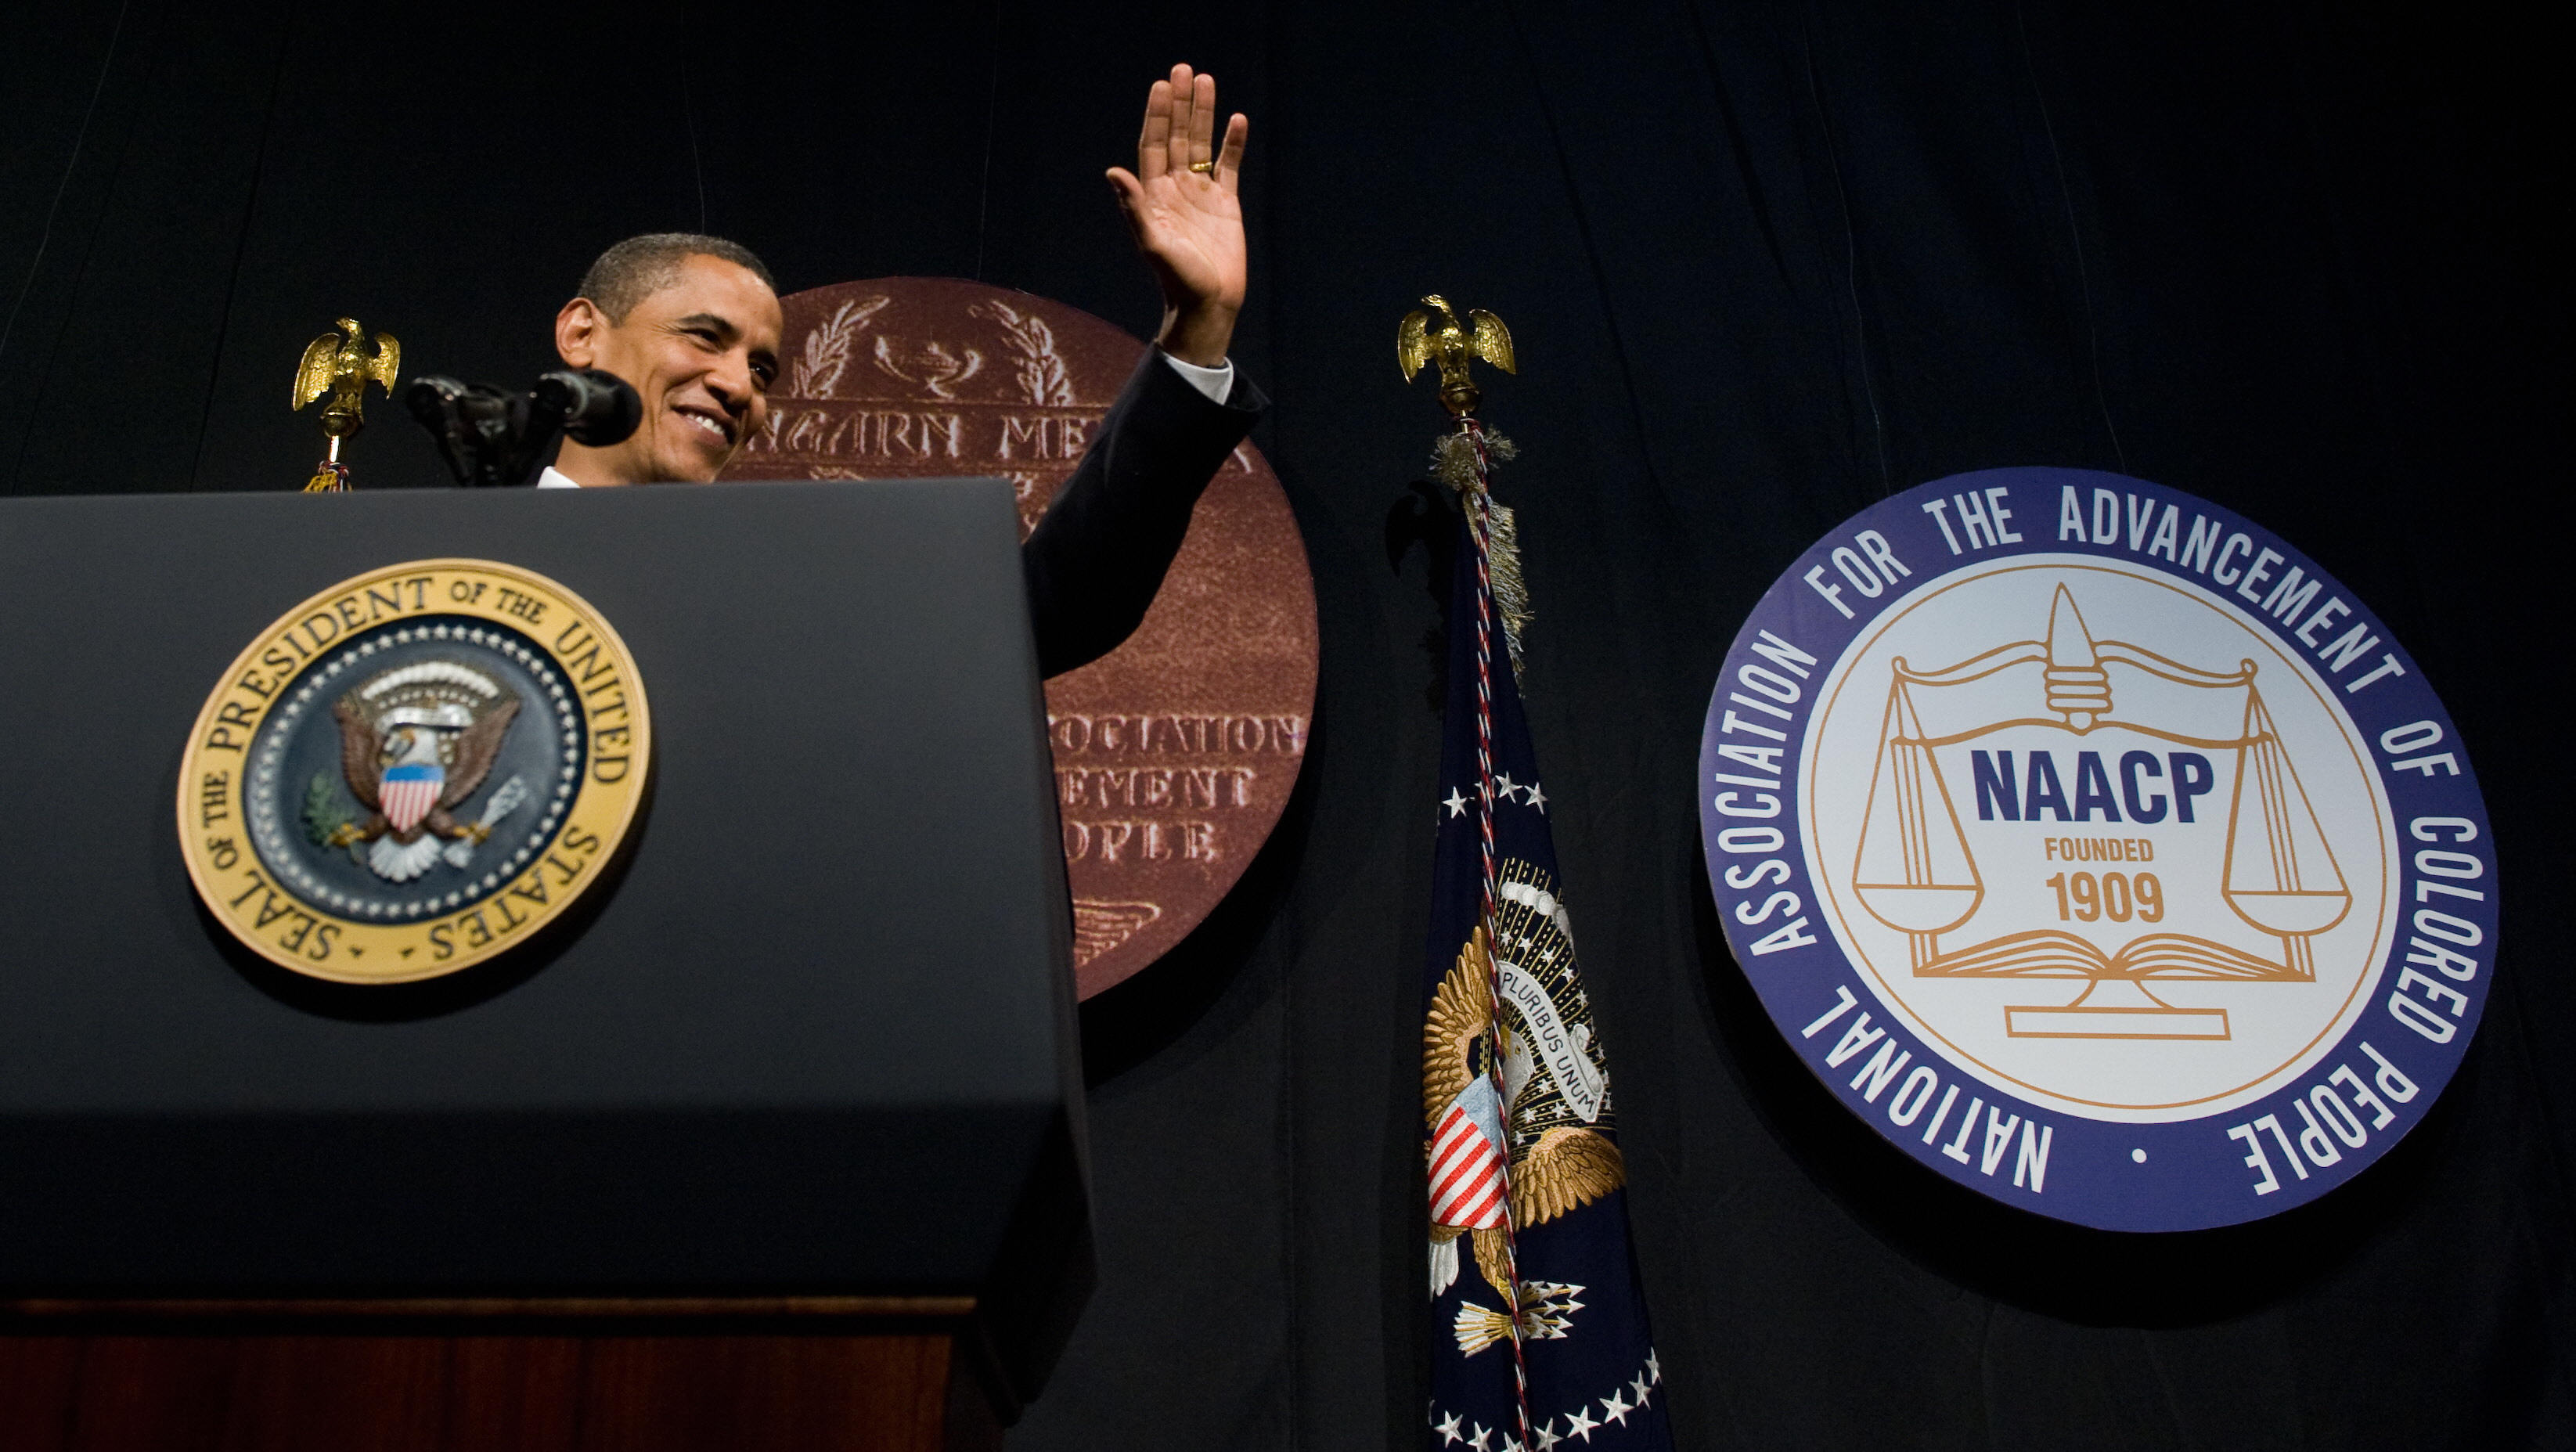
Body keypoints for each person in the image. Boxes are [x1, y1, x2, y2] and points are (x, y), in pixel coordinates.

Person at [535, 64, 1261, 676]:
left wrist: (1197, 330)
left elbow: (1055, 605)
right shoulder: (436, 565)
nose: (737, 387)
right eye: (702, 337)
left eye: (762, 369)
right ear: (581, 333)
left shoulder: (803, 595)